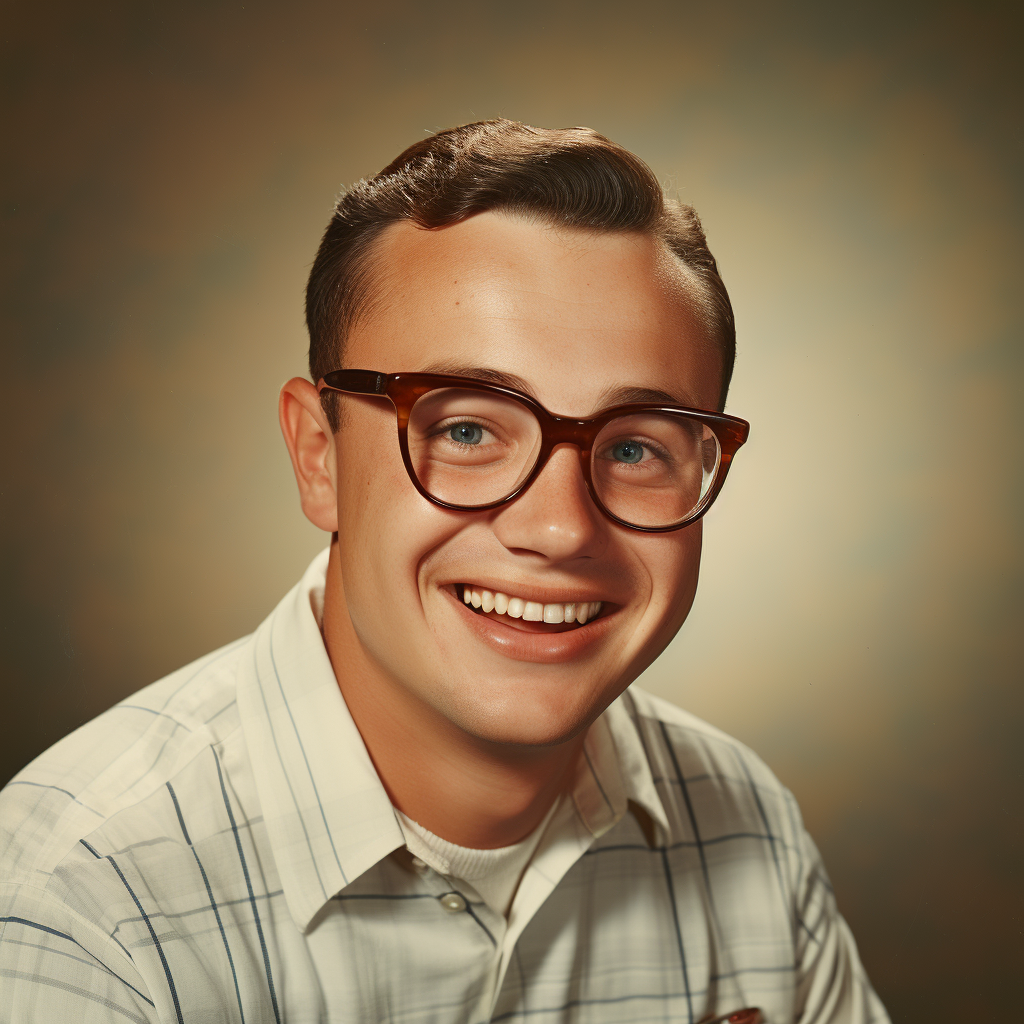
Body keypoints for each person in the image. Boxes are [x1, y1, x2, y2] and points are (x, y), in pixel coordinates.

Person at [0, 120, 888, 1023]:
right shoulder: (79, 908)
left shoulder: (745, 826)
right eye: (466, 429)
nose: (558, 527)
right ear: (319, 455)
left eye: (634, 446)